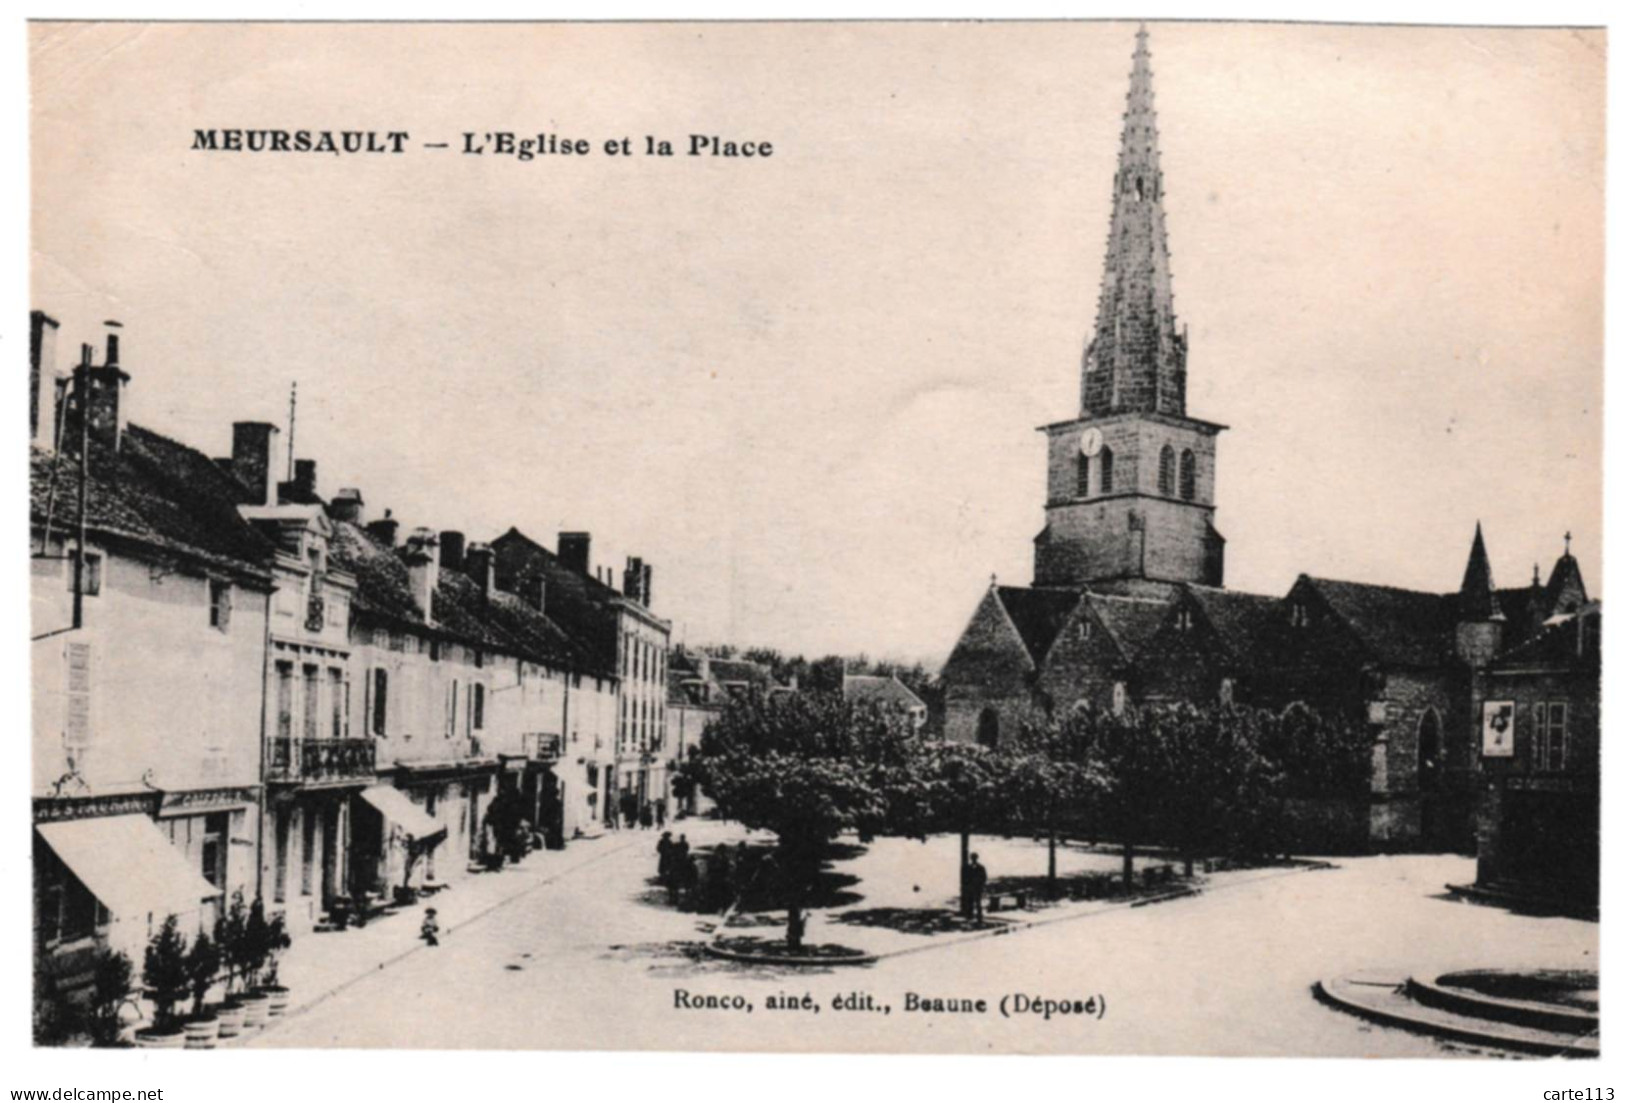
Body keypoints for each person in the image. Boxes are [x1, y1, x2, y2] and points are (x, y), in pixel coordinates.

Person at [965, 852, 988, 924]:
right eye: (972, 858)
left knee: (978, 903)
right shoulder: (968, 867)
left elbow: (984, 877)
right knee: (970, 902)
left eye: (974, 858)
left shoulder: (981, 867)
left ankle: (979, 918)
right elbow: (966, 878)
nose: (973, 859)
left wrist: (980, 885)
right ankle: (969, 917)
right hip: (970, 888)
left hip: (978, 888)